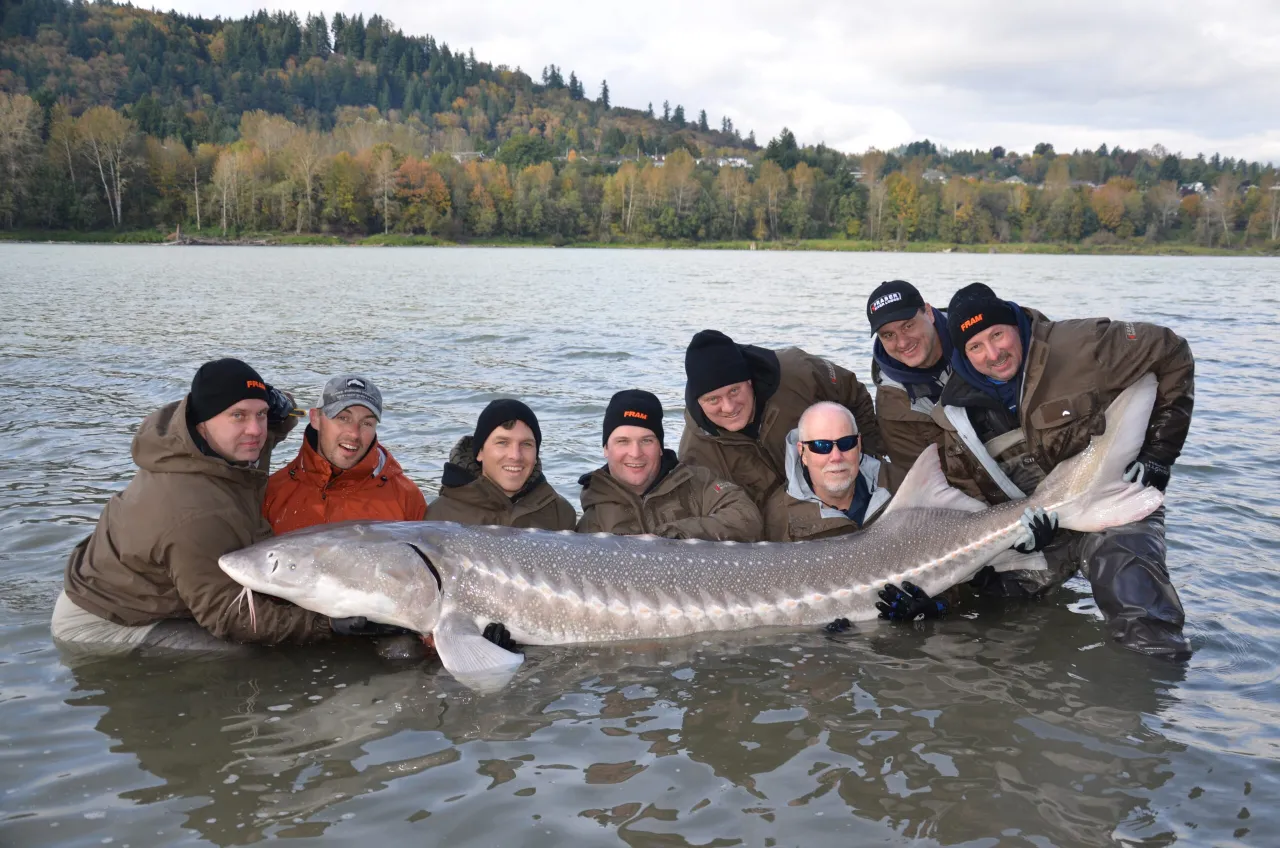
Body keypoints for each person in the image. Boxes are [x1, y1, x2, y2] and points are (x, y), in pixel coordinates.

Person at [892, 283, 1194, 659]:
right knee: (985, 614)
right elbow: (973, 497)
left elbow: (1171, 351)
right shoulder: (955, 416)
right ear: (963, 355)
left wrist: (1159, 454)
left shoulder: (1080, 345)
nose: (993, 354)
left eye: (997, 335)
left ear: (1014, 326)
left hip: (1108, 502)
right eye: (975, 347)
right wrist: (1024, 540)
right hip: (1040, 525)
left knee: (1138, 608)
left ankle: (1162, 690)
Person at [53, 358, 332, 651]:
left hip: (129, 582)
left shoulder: (211, 444)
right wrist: (327, 624)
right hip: (102, 623)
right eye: (238, 416)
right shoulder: (194, 512)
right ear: (201, 426)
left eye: (261, 414)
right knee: (248, 653)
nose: (255, 430)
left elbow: (270, 424)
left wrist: (279, 407)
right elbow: (231, 617)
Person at [678, 329, 885, 512]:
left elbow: (855, 395)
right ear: (699, 401)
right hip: (783, 529)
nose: (729, 407)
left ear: (749, 381)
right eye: (713, 399)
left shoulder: (800, 372)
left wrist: (866, 459)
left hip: (851, 488)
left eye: (734, 390)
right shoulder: (695, 454)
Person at [577, 389, 763, 541]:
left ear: (660, 447)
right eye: (623, 441)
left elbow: (746, 516)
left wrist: (674, 536)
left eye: (647, 441)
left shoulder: (698, 482)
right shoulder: (592, 518)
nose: (635, 453)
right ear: (606, 449)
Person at [263, 374, 426, 534]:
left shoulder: (406, 497)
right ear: (315, 418)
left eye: (367, 423)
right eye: (343, 418)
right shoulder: (272, 492)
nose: (354, 434)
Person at [427, 398, 576, 529]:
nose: (515, 455)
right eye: (502, 442)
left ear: (536, 454)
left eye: (526, 444)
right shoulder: (439, 516)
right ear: (480, 452)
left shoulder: (561, 514)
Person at [866, 279, 953, 493]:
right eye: (888, 335)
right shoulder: (892, 405)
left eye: (908, 325)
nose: (903, 342)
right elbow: (926, 485)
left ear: (929, 313)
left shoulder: (978, 335)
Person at [763, 401, 891, 542]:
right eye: (821, 446)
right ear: (803, 453)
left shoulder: (899, 484)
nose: (836, 457)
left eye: (846, 443)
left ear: (859, 444)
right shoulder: (779, 517)